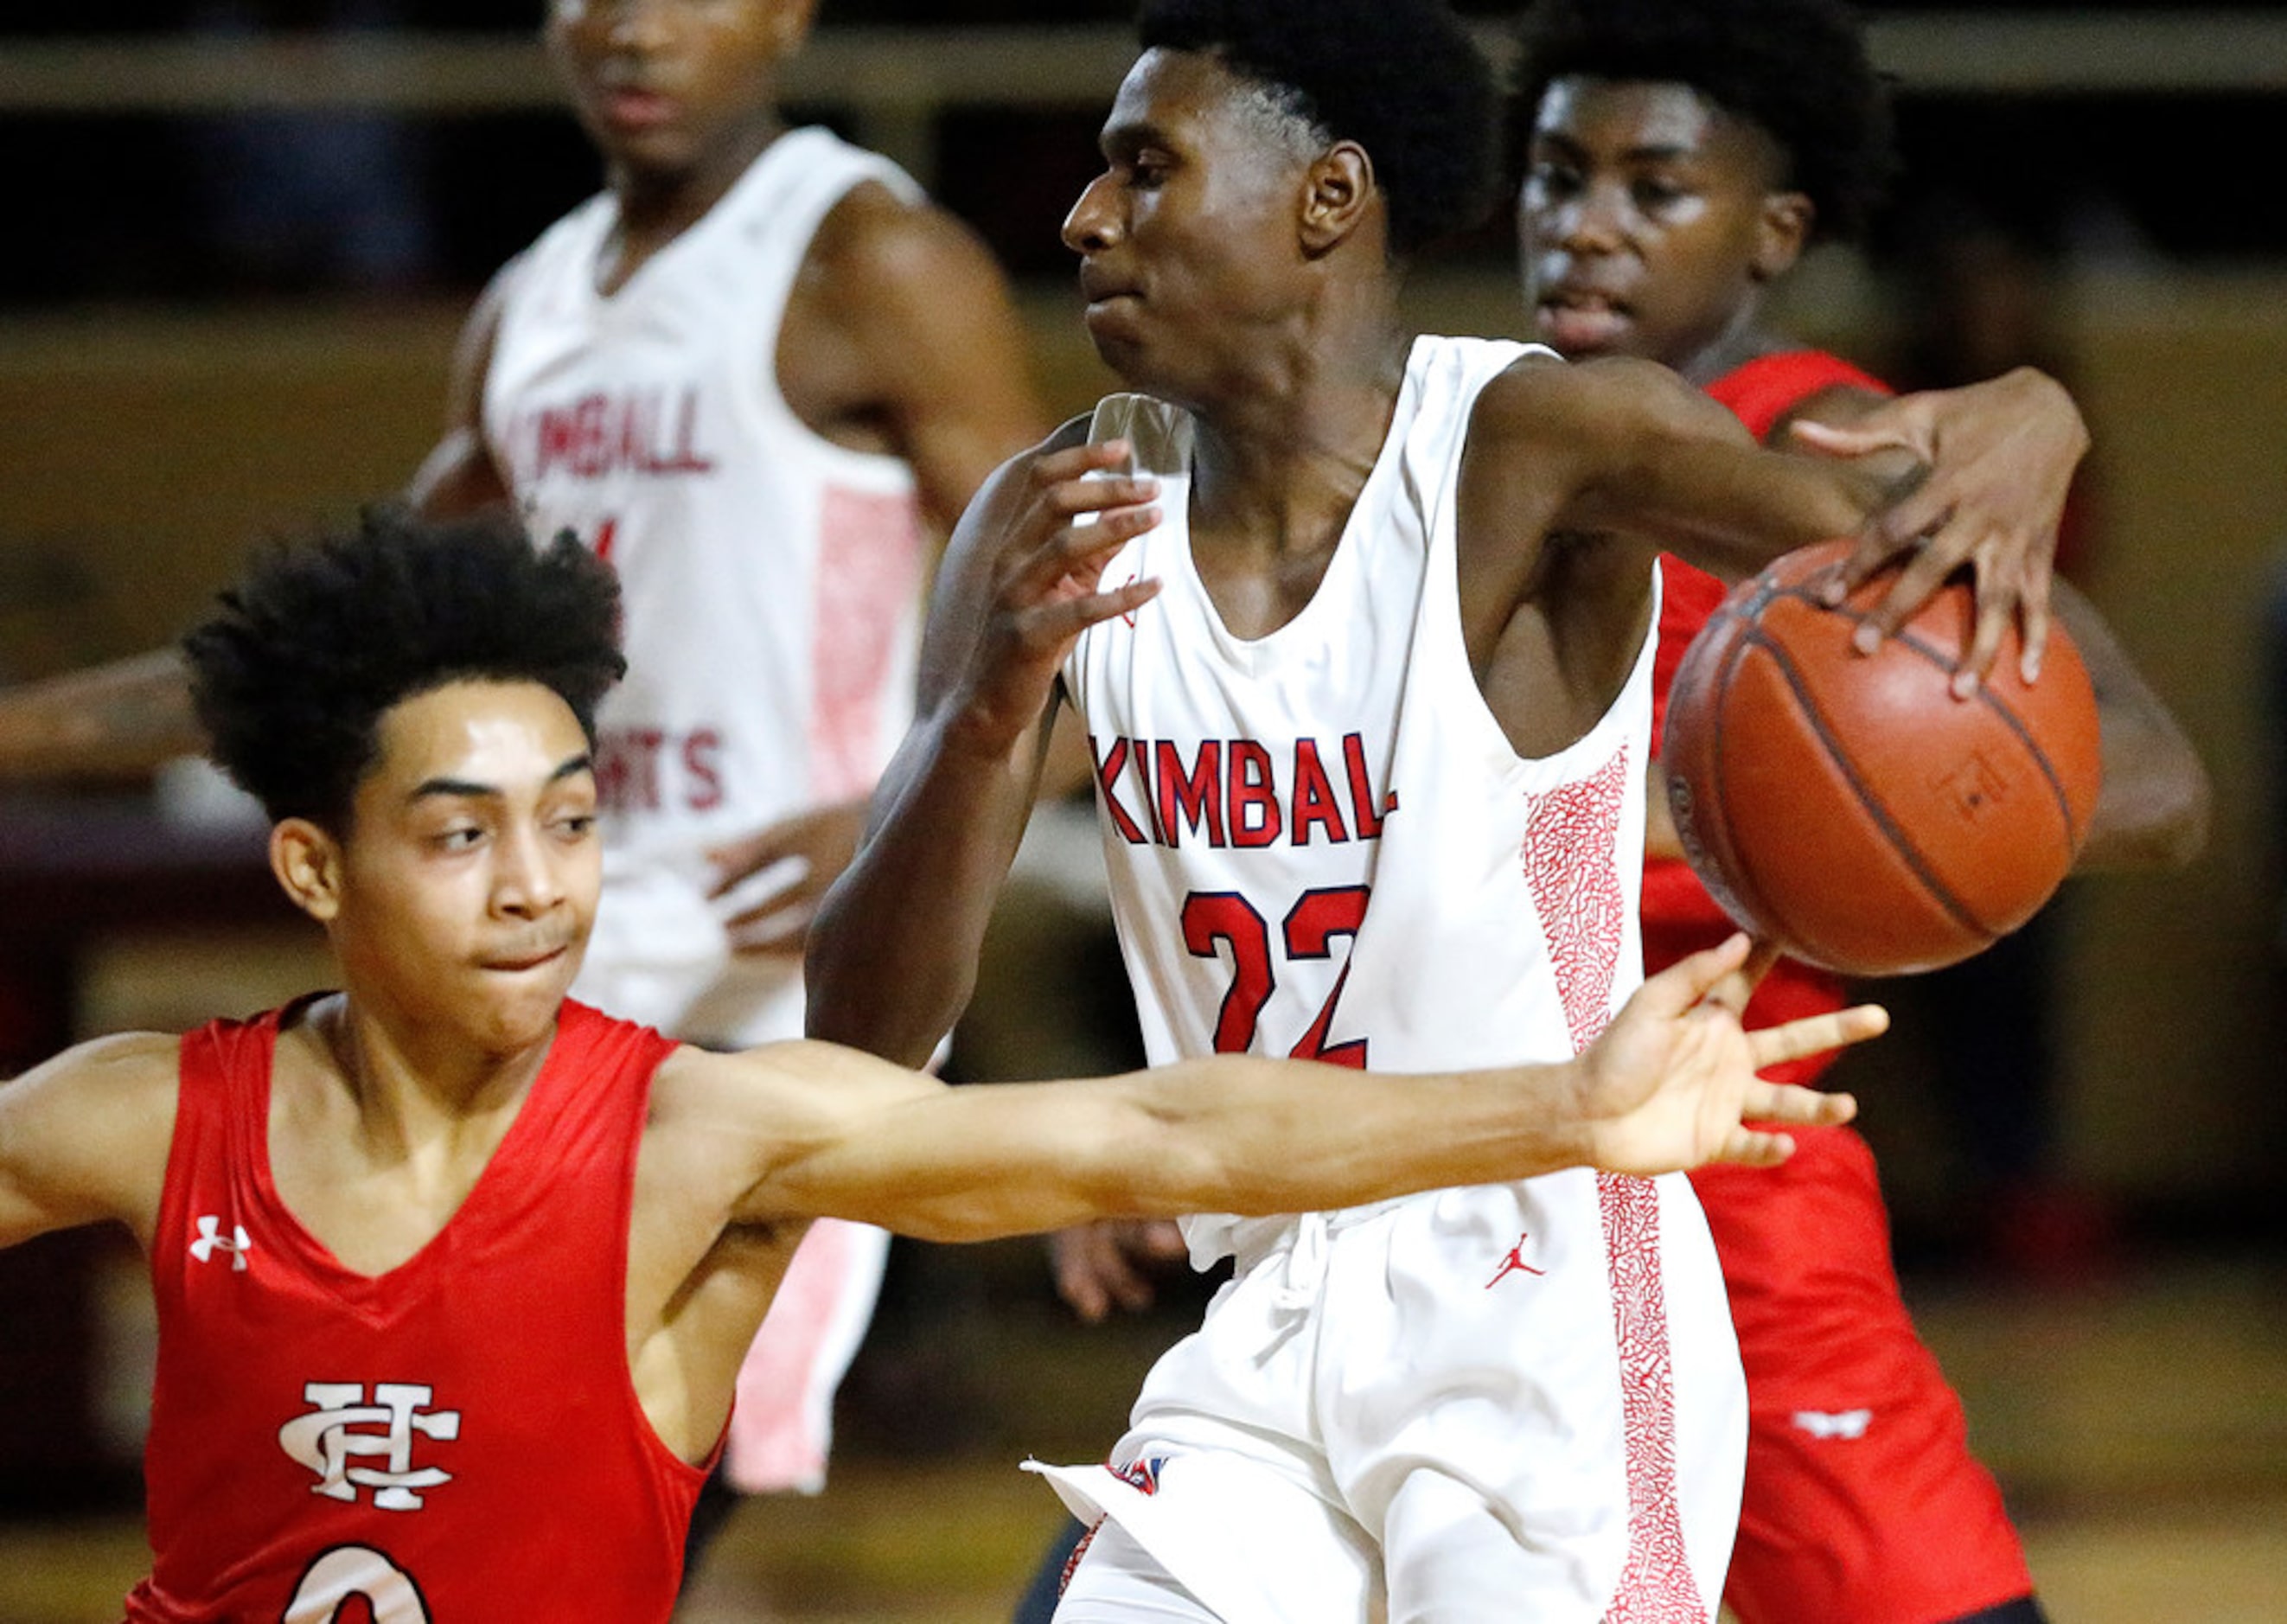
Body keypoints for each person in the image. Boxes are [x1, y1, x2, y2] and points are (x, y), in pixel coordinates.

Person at [0, 504, 1878, 1621]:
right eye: (462, 835)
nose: (535, 890)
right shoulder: (146, 1113)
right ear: (317, 868)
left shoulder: (692, 1132)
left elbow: (1155, 1129)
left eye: (571, 824)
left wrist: (1563, 1107)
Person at [804, 3, 2090, 1617]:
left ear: (1326, 198)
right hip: (1266, 1301)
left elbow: (1900, 534)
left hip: (1539, 1300)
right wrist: (986, 709)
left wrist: (2031, 412)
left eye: (1146, 168)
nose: (1083, 218)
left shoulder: (1535, 439)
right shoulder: (1055, 512)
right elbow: (857, 1037)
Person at [0, 0, 1052, 1537]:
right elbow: (336, 641)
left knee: (606, 1502)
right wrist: (23, 730)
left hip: (775, 999)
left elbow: (1078, 623)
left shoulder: (870, 258)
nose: (633, 27)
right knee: (484, 1513)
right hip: (549, 965)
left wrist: (916, 811)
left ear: (790, 15)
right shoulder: (533, 303)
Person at [1510, 2, 2211, 1621]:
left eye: (1652, 186)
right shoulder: (1489, 441)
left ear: (1774, 233)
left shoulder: (1833, 453)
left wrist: (1771, 828)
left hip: (1730, 1181)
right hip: (1455, 1157)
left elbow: (2159, 780)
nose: (1588, 220)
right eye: (1558, 174)